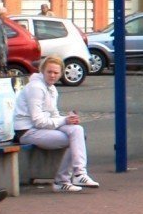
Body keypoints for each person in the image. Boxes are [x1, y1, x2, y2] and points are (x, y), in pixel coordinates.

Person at [13, 55, 98, 191]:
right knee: (73, 139)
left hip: (40, 129)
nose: (52, 75)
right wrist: (64, 120)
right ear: (43, 71)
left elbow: (54, 115)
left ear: (60, 74)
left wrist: (69, 121)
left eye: (56, 73)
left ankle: (79, 174)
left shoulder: (51, 88)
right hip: (26, 131)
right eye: (49, 72)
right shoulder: (36, 87)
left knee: (77, 130)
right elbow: (38, 121)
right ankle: (64, 180)